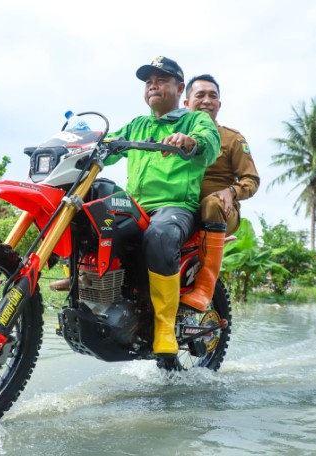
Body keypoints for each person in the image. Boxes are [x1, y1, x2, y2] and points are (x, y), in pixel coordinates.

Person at [103, 56, 220, 356]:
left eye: (161, 79)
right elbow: (108, 145)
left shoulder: (195, 120)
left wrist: (189, 141)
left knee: (160, 234)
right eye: (148, 81)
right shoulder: (137, 125)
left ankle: (165, 326)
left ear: (180, 88)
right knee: (91, 213)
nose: (152, 85)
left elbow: (209, 144)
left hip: (174, 207)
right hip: (133, 206)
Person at [179, 74, 260, 311]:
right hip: (180, 208)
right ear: (186, 103)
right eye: (200, 95)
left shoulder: (232, 138)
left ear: (219, 104)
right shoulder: (174, 136)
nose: (207, 100)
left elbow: (251, 179)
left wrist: (232, 191)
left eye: (212, 96)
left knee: (211, 203)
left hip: (222, 211)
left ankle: (205, 287)